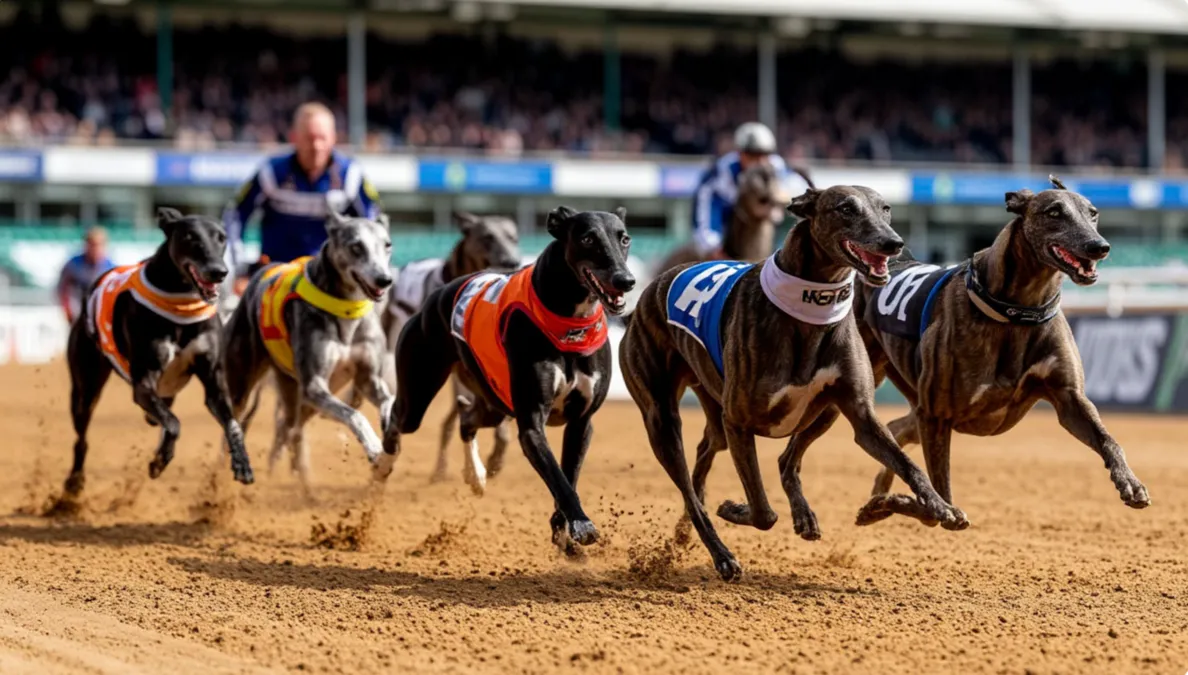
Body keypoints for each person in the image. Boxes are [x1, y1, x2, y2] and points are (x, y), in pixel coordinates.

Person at [223, 102, 383, 294]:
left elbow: (373, 225)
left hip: (332, 279)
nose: (316, 146)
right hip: (277, 278)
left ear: (334, 138)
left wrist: (369, 270)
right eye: (309, 138)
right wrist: (241, 267)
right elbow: (235, 214)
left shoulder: (351, 176)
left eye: (322, 138)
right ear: (294, 138)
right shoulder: (271, 173)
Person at [690, 121, 809, 259]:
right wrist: (713, 245)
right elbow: (707, 209)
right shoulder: (721, 174)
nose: (759, 162)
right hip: (729, 237)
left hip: (770, 236)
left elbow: (801, 190)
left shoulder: (778, 168)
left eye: (764, 155)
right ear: (740, 154)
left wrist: (780, 196)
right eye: (752, 156)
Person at [57, 226, 116, 325]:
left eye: (99, 245)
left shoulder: (111, 269)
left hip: (100, 315)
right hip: (77, 312)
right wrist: (67, 310)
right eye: (92, 245)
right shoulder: (73, 265)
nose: (95, 249)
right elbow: (62, 289)